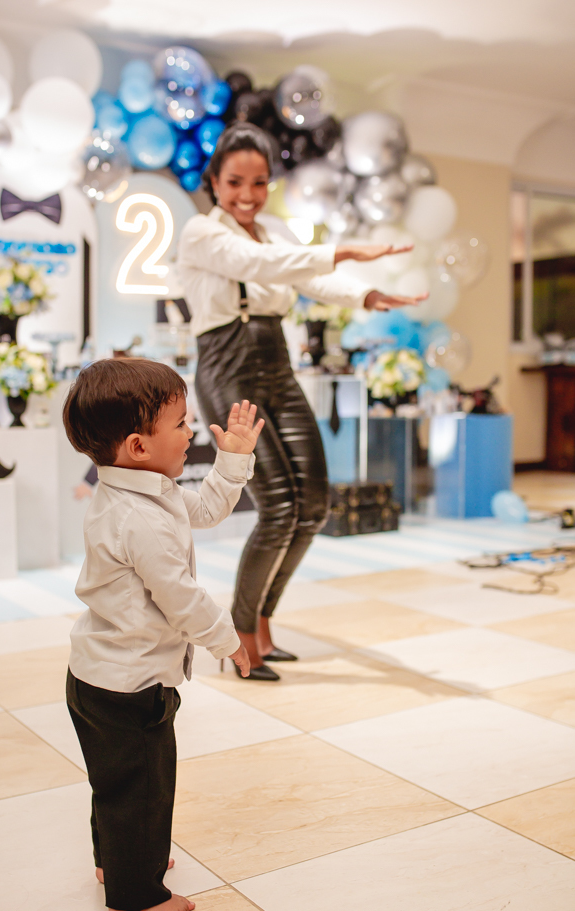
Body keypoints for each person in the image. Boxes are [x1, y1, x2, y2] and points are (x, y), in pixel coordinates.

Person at [178, 122, 427, 682]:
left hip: (277, 362)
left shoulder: (273, 231)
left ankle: (264, 620)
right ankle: (241, 637)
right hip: (227, 366)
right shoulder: (200, 232)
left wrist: (366, 293)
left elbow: (307, 277)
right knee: (277, 507)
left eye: (259, 183)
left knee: (313, 505)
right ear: (213, 181)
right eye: (235, 182)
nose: (248, 195)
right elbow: (259, 265)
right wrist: (343, 250)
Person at [63, 357, 263, 911]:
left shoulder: (148, 492)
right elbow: (181, 597)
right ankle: (136, 897)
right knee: (144, 790)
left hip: (99, 676)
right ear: (137, 446)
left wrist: (233, 458)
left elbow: (208, 509)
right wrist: (227, 639)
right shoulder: (140, 518)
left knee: (116, 785)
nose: (191, 432)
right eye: (180, 424)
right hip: (130, 685)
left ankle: (117, 862)